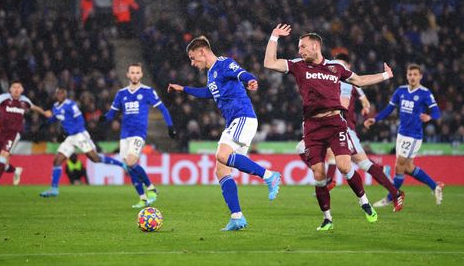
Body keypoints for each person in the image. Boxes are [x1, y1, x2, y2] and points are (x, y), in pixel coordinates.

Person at [264, 24, 393, 231]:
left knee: (344, 166)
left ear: (315, 46)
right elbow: (269, 63)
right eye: (299, 47)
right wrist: (273, 37)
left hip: (335, 123)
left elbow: (359, 80)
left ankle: (365, 203)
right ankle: (327, 218)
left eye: (303, 46)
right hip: (312, 126)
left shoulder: (336, 68)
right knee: (318, 174)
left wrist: (385, 76)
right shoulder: (298, 65)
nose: (300, 51)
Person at [168, 35, 281, 231]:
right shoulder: (211, 73)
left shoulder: (224, 64)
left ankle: (269, 175)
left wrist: (251, 80)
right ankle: (237, 217)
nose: (193, 63)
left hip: (243, 117)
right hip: (235, 121)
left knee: (222, 155)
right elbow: (208, 93)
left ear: (202, 52)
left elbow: (241, 73)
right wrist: (183, 88)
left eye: (193, 58)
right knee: (220, 169)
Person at [296, 54, 405, 213]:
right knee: (301, 148)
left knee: (363, 163)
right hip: (329, 126)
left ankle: (394, 192)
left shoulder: (344, 83)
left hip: (342, 127)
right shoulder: (338, 80)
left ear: (347, 66)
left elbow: (345, 104)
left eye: (340, 65)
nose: (335, 68)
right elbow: (362, 95)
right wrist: (365, 105)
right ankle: (330, 179)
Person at [364, 64, 443, 206]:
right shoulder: (400, 91)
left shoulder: (425, 93)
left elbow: (437, 112)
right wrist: (375, 119)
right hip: (402, 133)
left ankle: (391, 197)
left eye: (415, 74)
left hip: (414, 135)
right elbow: (389, 109)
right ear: (407, 76)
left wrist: (429, 117)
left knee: (399, 165)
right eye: (410, 74)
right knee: (408, 167)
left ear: (420, 76)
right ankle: (434, 186)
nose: (412, 77)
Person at [100, 63, 176, 208]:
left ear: (141, 75)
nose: (135, 75)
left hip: (138, 133)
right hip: (124, 134)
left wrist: (170, 126)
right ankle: (142, 198)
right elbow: (112, 112)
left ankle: (151, 188)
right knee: (130, 166)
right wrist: (104, 118)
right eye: (132, 73)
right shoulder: (121, 93)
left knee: (130, 161)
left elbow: (163, 108)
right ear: (127, 75)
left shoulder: (148, 91)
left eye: (137, 72)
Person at [39, 87, 125, 197]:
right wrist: (45, 123)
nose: (60, 95)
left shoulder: (71, 105)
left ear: (65, 94)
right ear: (56, 95)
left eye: (62, 93)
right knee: (57, 160)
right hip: (70, 137)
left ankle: (122, 164)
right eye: (58, 93)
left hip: (79, 134)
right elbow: (56, 117)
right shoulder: (55, 106)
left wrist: (68, 132)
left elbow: (80, 121)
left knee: (94, 158)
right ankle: (54, 189)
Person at [0, 81, 49, 196]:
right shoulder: (3, 98)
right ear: (10, 89)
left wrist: (44, 112)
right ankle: (16, 170)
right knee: (3, 162)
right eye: (14, 87)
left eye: (18, 87)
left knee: (3, 157)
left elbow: (34, 107)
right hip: (1, 132)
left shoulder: (25, 101)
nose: (16, 89)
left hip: (13, 134)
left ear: (22, 89)